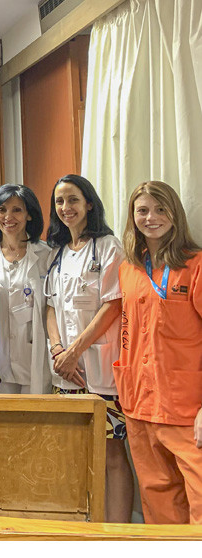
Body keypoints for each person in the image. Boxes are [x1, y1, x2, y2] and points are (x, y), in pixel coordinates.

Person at [43, 173, 133, 523]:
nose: (66, 208)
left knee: (112, 451)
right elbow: (50, 306)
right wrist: (57, 352)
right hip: (66, 373)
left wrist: (74, 352)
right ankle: (86, 526)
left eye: (73, 200)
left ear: (89, 204)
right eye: (60, 201)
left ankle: (120, 531)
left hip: (98, 370)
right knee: (76, 451)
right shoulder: (59, 252)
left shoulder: (108, 246)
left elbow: (113, 305)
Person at [116, 181, 202, 524]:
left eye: (160, 209)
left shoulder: (195, 265)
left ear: (174, 214)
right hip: (139, 406)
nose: (151, 217)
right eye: (142, 210)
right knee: (157, 502)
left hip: (185, 408)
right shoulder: (129, 269)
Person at [0, 184, 51, 394]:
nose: (8, 217)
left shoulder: (46, 256)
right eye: (2, 209)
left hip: (34, 358)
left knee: (36, 423)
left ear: (29, 215)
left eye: (17, 210)